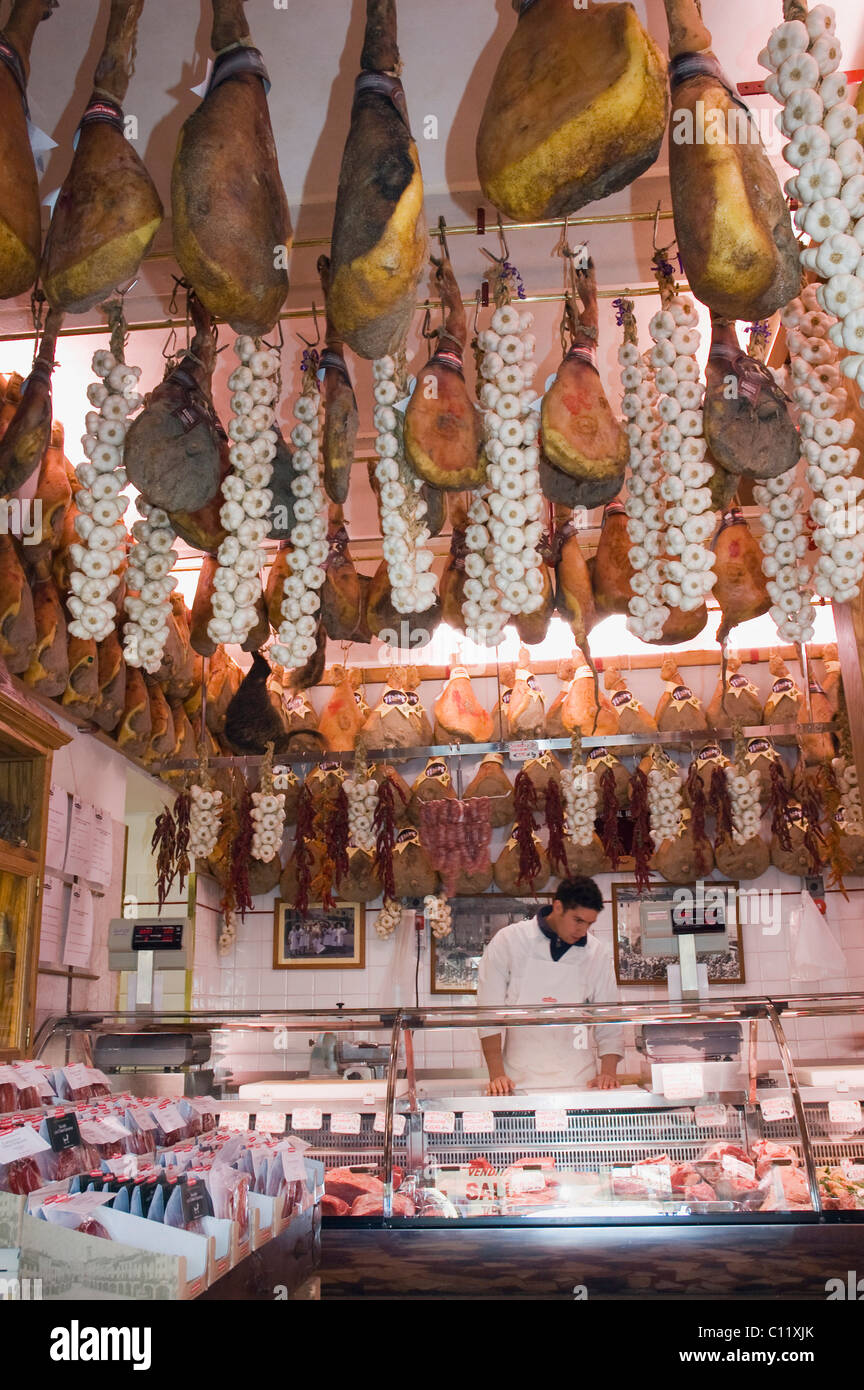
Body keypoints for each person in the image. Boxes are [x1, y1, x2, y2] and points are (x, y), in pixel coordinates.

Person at [476, 876, 624, 1095]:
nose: (583, 930)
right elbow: (489, 1013)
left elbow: (609, 1017)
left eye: (589, 923)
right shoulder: (509, 941)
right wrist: (497, 1075)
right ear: (558, 907)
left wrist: (608, 1073)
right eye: (577, 920)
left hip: (580, 1083)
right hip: (518, 1083)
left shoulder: (596, 953)